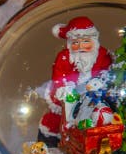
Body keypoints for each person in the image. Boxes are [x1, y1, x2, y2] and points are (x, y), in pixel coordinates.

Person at [39, 16, 113, 146]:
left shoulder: (102, 55)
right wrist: (65, 88)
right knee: (58, 120)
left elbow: (106, 74)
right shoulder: (64, 57)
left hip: (94, 97)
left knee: (97, 118)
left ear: (93, 40)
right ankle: (56, 142)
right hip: (69, 96)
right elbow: (58, 78)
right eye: (75, 43)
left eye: (85, 41)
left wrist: (99, 84)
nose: (80, 47)